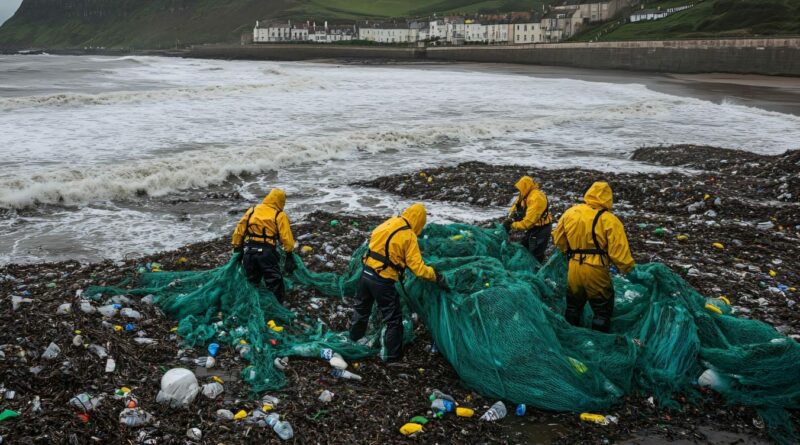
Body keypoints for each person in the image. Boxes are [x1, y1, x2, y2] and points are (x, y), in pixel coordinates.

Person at [349, 203, 449, 364]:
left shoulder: (389, 222)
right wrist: (436, 276)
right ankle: (392, 358)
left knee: (361, 310)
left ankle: (353, 340)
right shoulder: (408, 236)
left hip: (365, 273)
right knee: (393, 319)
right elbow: (418, 269)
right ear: (419, 221)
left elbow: (374, 239)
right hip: (381, 280)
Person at [552, 181, 634, 332]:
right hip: (596, 268)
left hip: (574, 265)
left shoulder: (571, 212)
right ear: (608, 197)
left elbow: (558, 239)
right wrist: (629, 268)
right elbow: (619, 253)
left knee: (573, 306)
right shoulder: (610, 220)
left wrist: (567, 251)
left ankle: (571, 336)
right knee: (602, 310)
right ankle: (598, 341)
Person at [231, 188, 297, 304]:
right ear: (280, 201)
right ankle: (277, 306)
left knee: (252, 281)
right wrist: (289, 254)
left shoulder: (252, 210)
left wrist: (237, 248)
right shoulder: (279, 215)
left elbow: (239, 230)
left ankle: (251, 305)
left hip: (249, 252)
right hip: (266, 253)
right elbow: (286, 237)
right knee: (274, 281)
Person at [503, 176, 553, 264]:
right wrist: (510, 218)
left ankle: (539, 270)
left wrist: (512, 225)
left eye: (521, 188)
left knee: (535, 253)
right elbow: (515, 206)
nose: (520, 191)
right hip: (532, 229)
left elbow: (528, 223)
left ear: (526, 186)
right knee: (525, 247)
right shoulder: (525, 194)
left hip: (541, 229)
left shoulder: (536, 198)